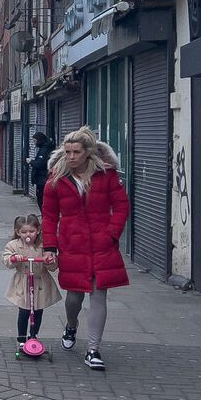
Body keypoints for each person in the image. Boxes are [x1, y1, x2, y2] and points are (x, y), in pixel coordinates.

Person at [41, 126, 130, 370]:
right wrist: (50, 247)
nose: (70, 156)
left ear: (88, 153)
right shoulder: (56, 179)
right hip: (72, 244)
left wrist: (112, 235)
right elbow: (49, 216)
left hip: (102, 244)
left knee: (99, 294)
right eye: (67, 151)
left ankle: (93, 349)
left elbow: (122, 206)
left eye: (76, 152)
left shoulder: (106, 175)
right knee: (74, 297)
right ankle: (71, 325)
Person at [3, 214, 61, 358]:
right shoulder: (14, 245)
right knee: (24, 311)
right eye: (24, 232)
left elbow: (53, 264)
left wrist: (49, 261)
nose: (28, 235)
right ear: (17, 232)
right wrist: (14, 259)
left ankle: (33, 336)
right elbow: (6, 259)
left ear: (38, 230)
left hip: (40, 281)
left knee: (38, 310)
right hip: (23, 281)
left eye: (31, 231)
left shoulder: (43, 245)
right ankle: (22, 338)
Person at [30, 131, 52, 210]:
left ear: (39, 140)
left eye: (35, 141)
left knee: (42, 202)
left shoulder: (44, 150)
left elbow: (40, 164)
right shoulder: (44, 148)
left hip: (42, 180)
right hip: (42, 180)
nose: (34, 143)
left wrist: (31, 161)